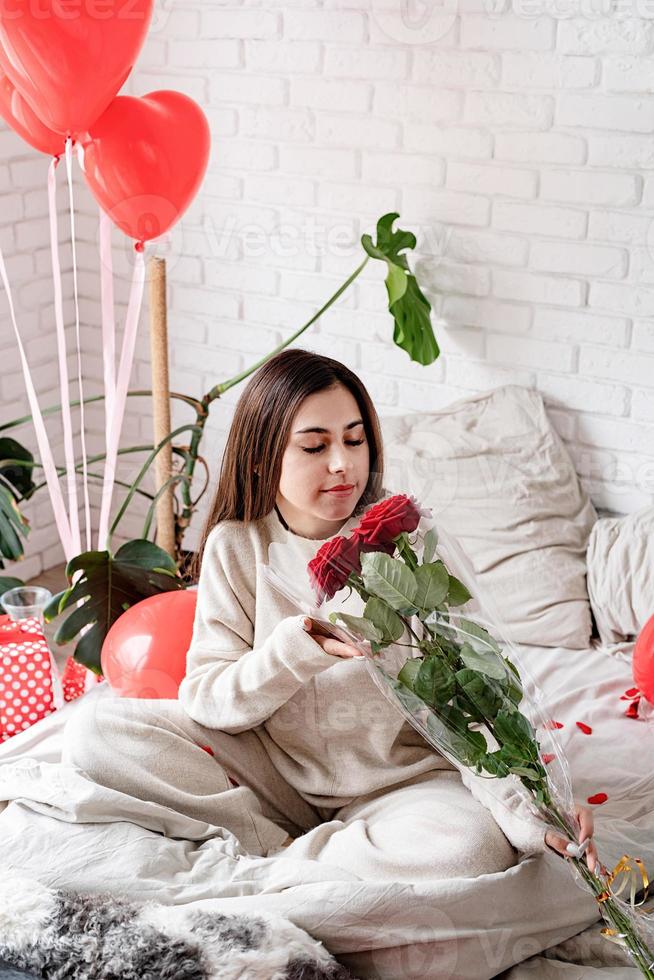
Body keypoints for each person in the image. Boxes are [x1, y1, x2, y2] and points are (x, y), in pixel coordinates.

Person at [61, 348, 601, 967]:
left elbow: (474, 699)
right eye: (314, 446)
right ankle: (278, 847)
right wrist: (296, 649)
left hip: (401, 783)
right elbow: (207, 697)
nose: (343, 465)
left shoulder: (405, 543)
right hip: (270, 772)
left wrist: (525, 811)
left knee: (466, 850)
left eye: (355, 440)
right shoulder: (236, 546)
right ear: (267, 454)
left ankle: (283, 869)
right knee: (95, 731)